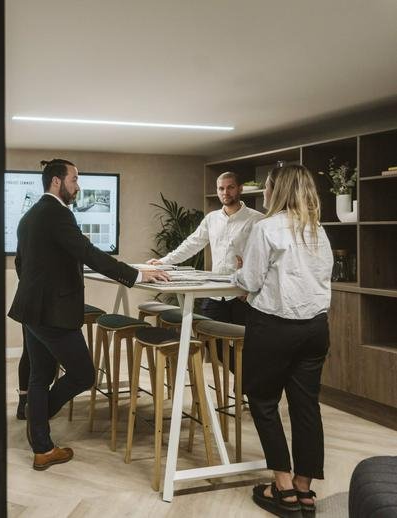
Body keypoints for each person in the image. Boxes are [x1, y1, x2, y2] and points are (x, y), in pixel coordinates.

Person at [8, 158, 169, 471]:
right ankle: (38, 424)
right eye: (74, 179)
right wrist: (136, 275)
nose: (77, 186)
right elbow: (88, 253)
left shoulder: (30, 216)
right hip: (52, 314)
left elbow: (20, 265)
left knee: (40, 377)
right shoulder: (57, 214)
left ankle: (41, 446)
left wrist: (37, 291)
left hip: (31, 310)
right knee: (83, 375)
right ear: (57, 181)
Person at [233, 164, 332, 517]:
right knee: (306, 406)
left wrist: (239, 270)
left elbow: (249, 280)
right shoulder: (318, 230)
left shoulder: (266, 228)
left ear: (279, 190)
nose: (264, 193)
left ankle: (283, 486)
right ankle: (305, 489)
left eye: (268, 187)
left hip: (275, 327)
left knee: (262, 401)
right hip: (316, 329)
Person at [147, 172, 262, 366]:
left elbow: (262, 257)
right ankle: (245, 377)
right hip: (216, 292)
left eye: (230, 187)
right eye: (221, 188)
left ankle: (246, 386)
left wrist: (251, 287)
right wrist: (164, 262)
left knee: (248, 345)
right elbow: (192, 244)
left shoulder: (257, 220)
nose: (225, 192)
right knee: (206, 338)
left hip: (242, 294)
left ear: (240, 188)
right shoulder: (212, 219)